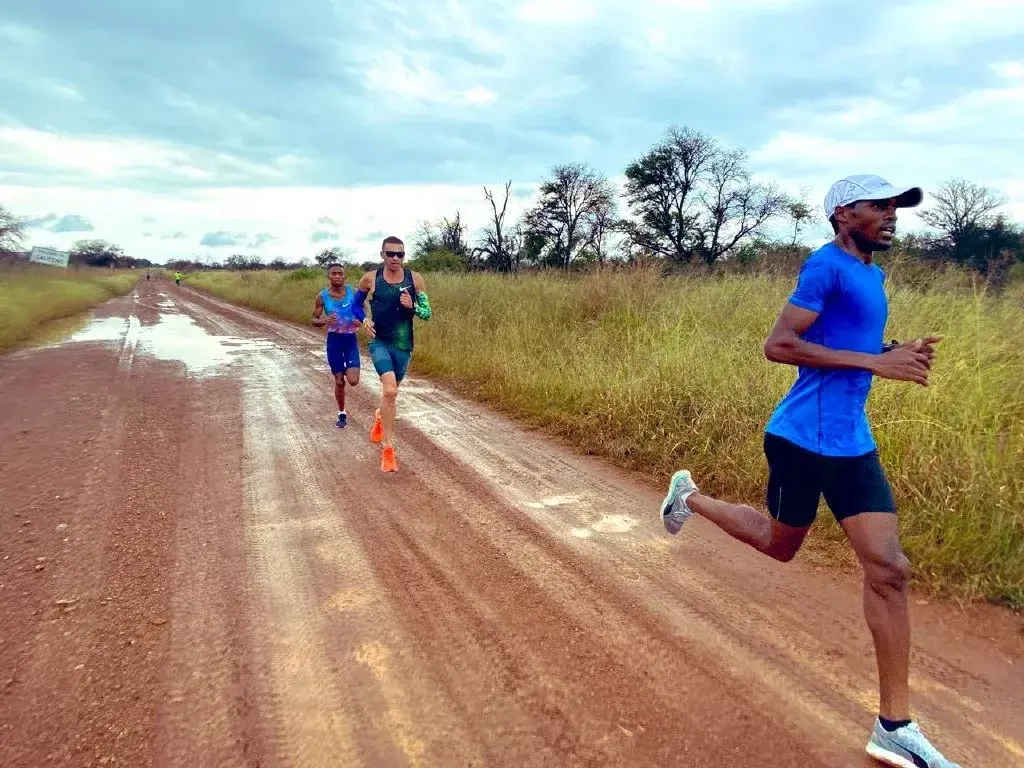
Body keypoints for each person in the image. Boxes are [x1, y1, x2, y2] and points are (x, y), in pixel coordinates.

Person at [659, 175, 959, 768]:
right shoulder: (825, 267)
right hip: (801, 439)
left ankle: (894, 727)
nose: (892, 215)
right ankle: (689, 496)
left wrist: (891, 353)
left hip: (852, 442)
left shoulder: (872, 274)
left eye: (896, 207)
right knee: (780, 544)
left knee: (889, 569)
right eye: (880, 206)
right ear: (844, 213)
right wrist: (874, 361)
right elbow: (779, 345)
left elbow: (843, 344)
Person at [352, 236, 431, 472]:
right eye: (390, 254)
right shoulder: (370, 278)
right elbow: (355, 305)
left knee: (391, 395)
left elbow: (427, 313)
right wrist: (364, 320)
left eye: (400, 254)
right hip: (380, 342)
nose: (395, 258)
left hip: (403, 345)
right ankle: (388, 449)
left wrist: (412, 306)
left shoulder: (415, 279)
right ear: (382, 255)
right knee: (390, 391)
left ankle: (380, 415)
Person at [311, 262, 366, 428]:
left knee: (353, 380)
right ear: (329, 276)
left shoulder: (354, 293)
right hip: (334, 341)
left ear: (344, 276)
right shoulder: (322, 297)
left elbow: (364, 308)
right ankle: (342, 413)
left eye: (340, 274)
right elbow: (314, 319)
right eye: (333, 274)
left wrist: (361, 319)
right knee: (339, 381)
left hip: (350, 340)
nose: (337, 276)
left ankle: (346, 370)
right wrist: (325, 321)